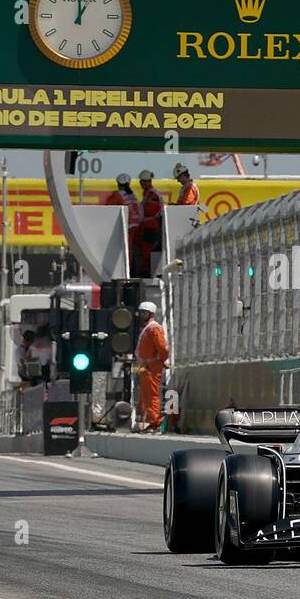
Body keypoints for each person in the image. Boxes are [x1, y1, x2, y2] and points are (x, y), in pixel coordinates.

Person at [134, 301, 169, 434]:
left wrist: (161, 360)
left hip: (151, 365)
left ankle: (155, 422)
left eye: (145, 312)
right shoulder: (147, 328)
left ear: (151, 314)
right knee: (145, 393)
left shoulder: (154, 328)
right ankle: (149, 419)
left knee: (151, 393)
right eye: (141, 312)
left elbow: (162, 347)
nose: (142, 315)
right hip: (145, 365)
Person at [138, 169, 164, 278]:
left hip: (150, 226)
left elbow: (150, 210)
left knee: (147, 251)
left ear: (149, 181)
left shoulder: (152, 194)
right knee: (145, 250)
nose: (142, 184)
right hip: (148, 225)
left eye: (144, 182)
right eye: (141, 182)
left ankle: (146, 272)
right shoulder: (148, 193)